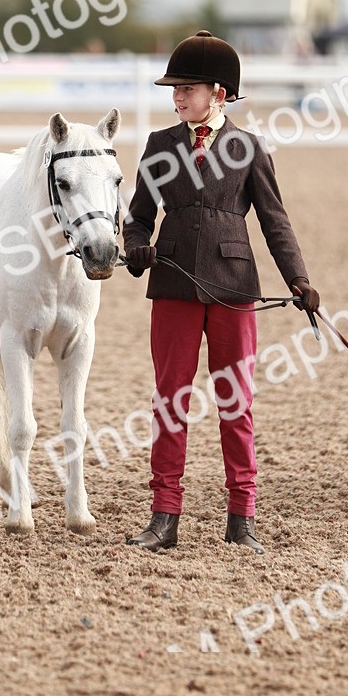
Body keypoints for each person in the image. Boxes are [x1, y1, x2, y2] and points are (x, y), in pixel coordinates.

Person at [123, 30, 319, 554]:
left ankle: (242, 517)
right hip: (173, 283)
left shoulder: (248, 149)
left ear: (219, 94)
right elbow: (138, 217)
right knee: (170, 400)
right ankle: (164, 516)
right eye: (174, 89)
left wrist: (299, 279)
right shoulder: (159, 146)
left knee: (236, 402)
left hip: (233, 286)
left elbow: (275, 221)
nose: (177, 97)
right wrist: (137, 247)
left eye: (186, 88)